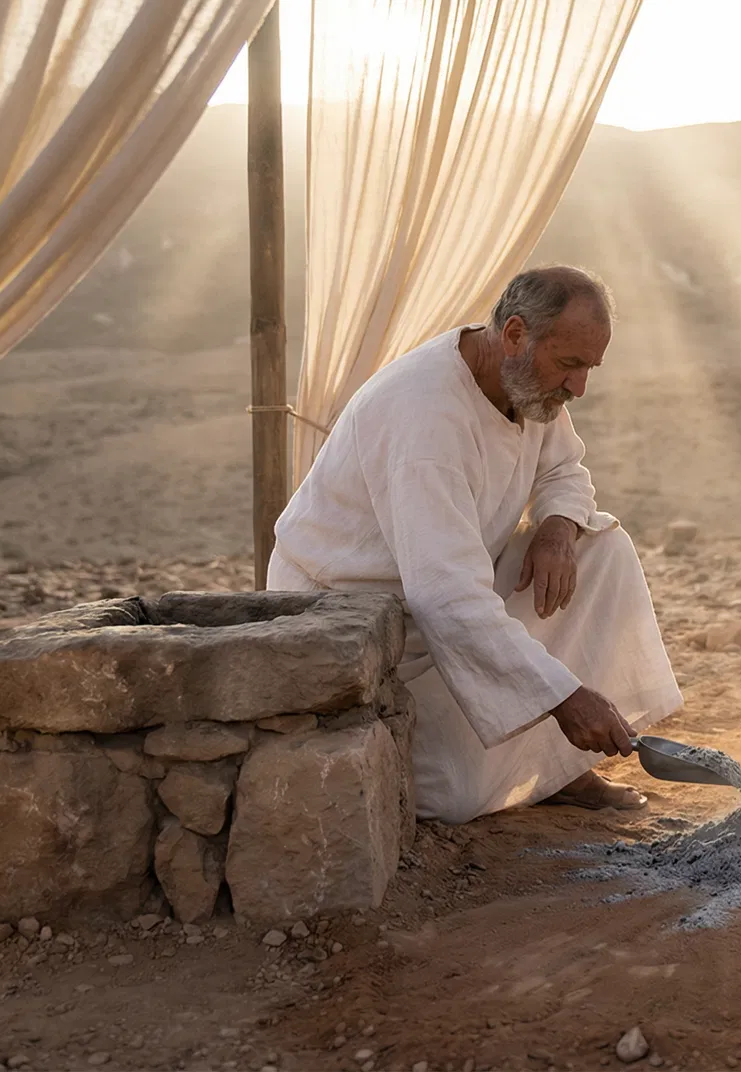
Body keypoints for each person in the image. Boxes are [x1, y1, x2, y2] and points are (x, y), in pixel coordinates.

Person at [268, 266, 682, 823]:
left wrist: (557, 528)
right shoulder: (425, 418)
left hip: (449, 591)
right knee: (452, 796)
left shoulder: (525, 384)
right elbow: (446, 597)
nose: (579, 387)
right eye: (570, 364)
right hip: (363, 620)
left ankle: (558, 766)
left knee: (600, 548)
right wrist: (565, 698)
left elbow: (564, 466)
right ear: (514, 335)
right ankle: (537, 755)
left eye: (589, 368)